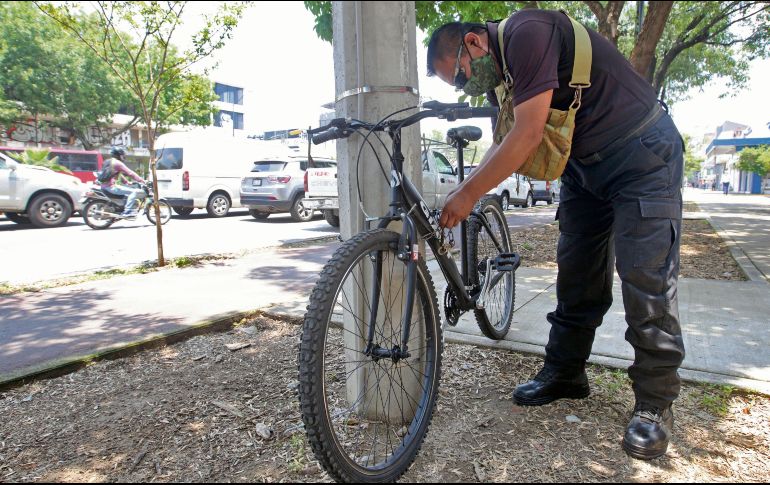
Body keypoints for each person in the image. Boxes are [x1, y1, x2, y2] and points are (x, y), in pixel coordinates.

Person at [427, 8, 685, 460]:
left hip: (642, 153)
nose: (466, 89)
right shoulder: (504, 73)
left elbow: (527, 135)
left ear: (472, 43)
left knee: (646, 278)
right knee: (577, 272)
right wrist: (466, 188)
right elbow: (505, 140)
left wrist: (468, 195)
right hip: (586, 169)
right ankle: (566, 373)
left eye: (461, 78)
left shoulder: (527, 33)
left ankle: (655, 404)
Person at [99, 147, 146, 217]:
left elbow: (117, 174)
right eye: (122, 155)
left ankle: (123, 208)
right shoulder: (118, 163)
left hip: (103, 187)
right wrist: (141, 180)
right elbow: (130, 173)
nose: (123, 157)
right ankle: (127, 211)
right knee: (134, 192)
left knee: (126, 194)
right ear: (118, 155)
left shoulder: (108, 161)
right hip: (111, 187)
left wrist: (126, 182)